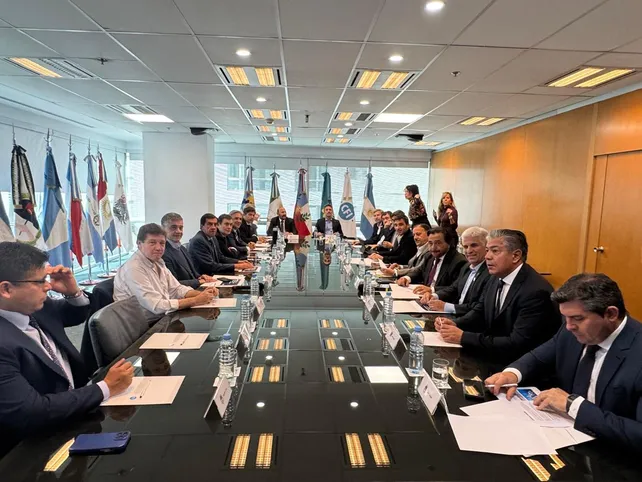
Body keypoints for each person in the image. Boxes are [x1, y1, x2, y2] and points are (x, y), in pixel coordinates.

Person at [0, 242, 134, 455]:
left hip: (77, 411)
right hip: (34, 445)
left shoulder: (33, 306)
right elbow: (31, 411)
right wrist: (105, 387)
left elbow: (73, 314)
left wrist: (73, 293)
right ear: (6, 289)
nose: (48, 287)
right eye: (39, 281)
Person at [486, 273, 642, 452]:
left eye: (578, 318)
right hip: (566, 439)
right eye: (565, 318)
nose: (569, 326)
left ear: (611, 314)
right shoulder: (572, 330)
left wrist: (573, 405)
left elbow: (638, 434)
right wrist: (512, 374)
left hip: (614, 454)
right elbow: (540, 356)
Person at [436, 229, 560, 362]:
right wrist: (455, 324)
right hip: (493, 353)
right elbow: (480, 311)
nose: (487, 256)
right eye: (487, 250)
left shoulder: (535, 292)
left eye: (495, 251)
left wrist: (463, 337)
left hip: (518, 364)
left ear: (516, 256)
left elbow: (517, 343)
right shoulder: (496, 277)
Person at [114, 224, 218, 321]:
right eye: (152, 242)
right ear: (139, 244)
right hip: (144, 326)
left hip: (162, 318)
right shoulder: (133, 268)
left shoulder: (158, 262)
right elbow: (157, 306)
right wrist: (196, 300)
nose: (159, 248)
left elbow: (176, 289)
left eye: (162, 243)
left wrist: (203, 294)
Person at [421, 226, 491, 317]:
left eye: (474, 245)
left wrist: (446, 307)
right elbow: (454, 288)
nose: (469, 251)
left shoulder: (490, 272)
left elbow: (478, 308)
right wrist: (434, 295)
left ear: (487, 247)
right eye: (465, 246)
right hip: (454, 316)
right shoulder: (467, 267)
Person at [397, 227, 466, 294]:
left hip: (440, 298)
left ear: (449, 243)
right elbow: (419, 271)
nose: (433, 247)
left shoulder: (459, 261)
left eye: (438, 243)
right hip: (423, 295)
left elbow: (455, 288)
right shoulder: (429, 256)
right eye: (430, 243)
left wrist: (432, 290)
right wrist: (407, 278)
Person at [160, 212, 214, 289]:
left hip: (194, 289)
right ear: (162, 229)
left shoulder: (182, 248)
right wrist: (199, 281)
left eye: (181, 228)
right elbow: (173, 284)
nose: (178, 231)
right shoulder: (162, 253)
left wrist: (201, 276)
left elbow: (192, 273)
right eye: (173, 227)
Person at [189, 214, 254, 275]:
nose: (213, 227)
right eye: (210, 224)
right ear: (201, 226)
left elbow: (220, 257)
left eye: (215, 224)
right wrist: (237, 266)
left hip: (215, 273)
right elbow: (210, 266)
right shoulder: (198, 240)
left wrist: (239, 262)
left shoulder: (212, 237)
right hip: (205, 276)